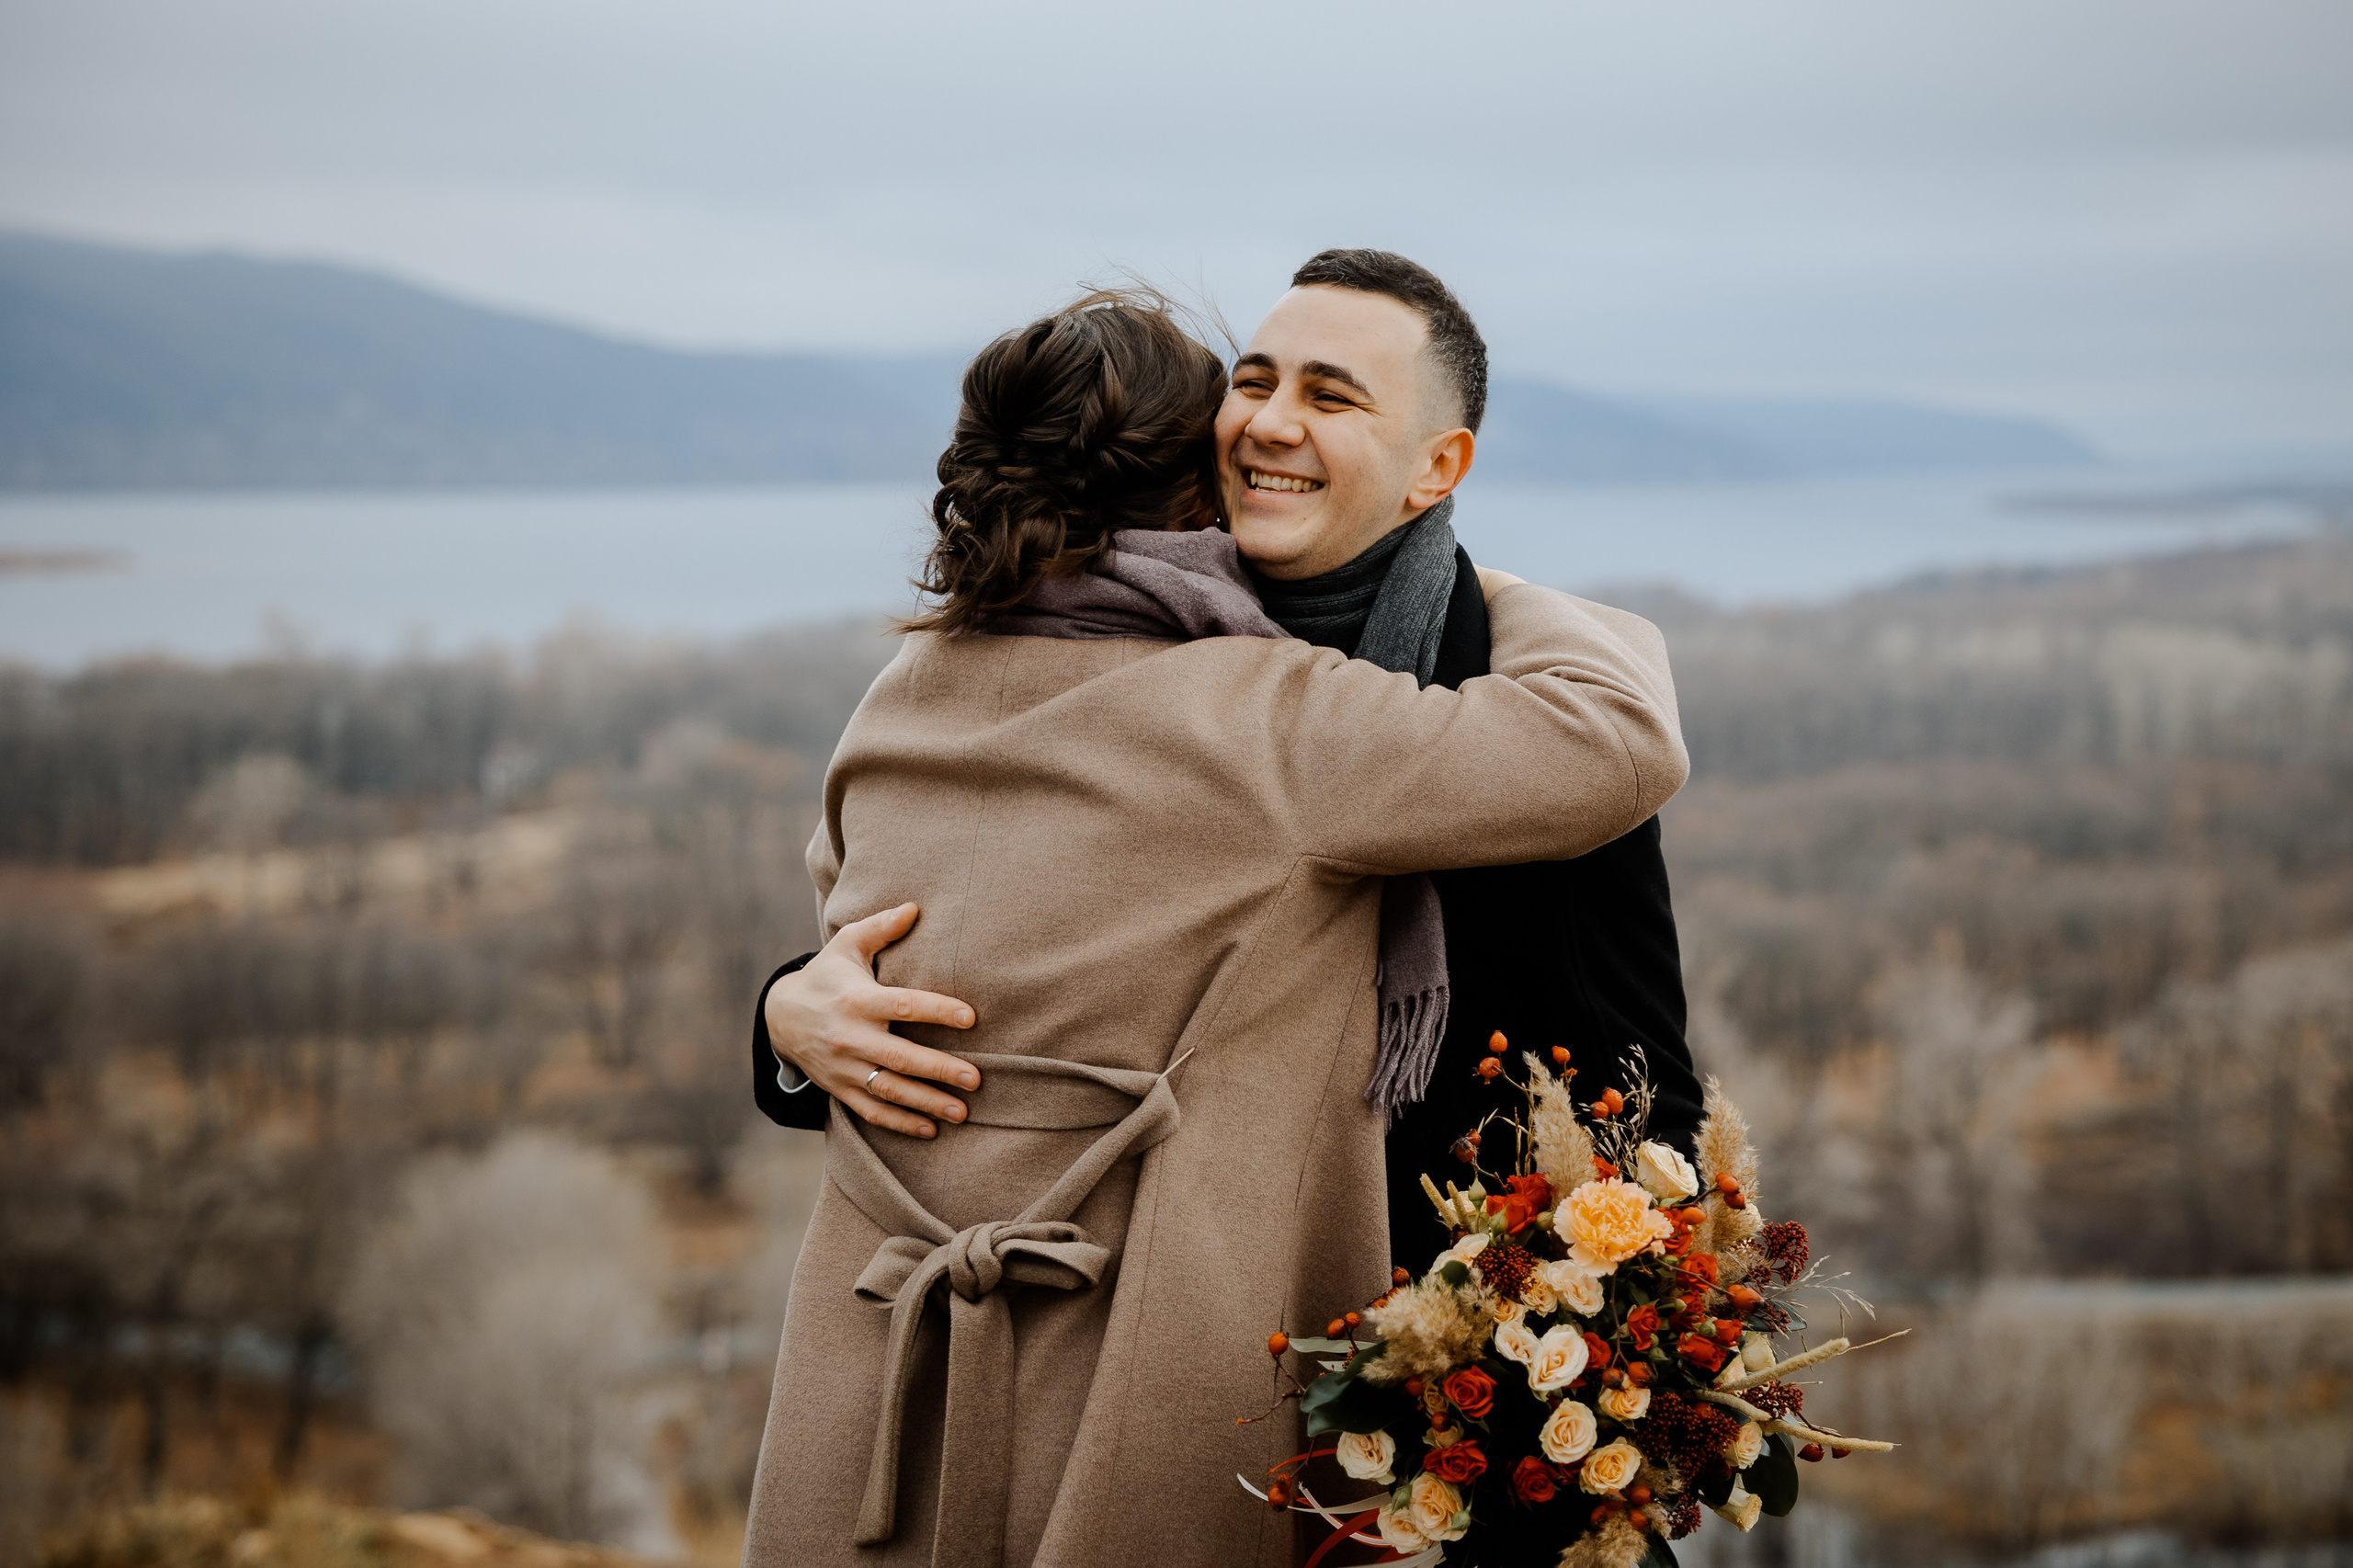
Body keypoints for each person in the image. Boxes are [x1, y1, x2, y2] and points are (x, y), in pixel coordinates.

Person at [738, 286, 1688, 1565]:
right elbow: (1618, 736)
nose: (1273, 428)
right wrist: (1499, 575)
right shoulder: (1270, 717)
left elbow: (885, 928)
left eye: (1328, 395)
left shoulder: (901, 696)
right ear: (1198, 480)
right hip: (1146, 1364)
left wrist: (795, 1006)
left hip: (872, 1383)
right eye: (1250, 390)